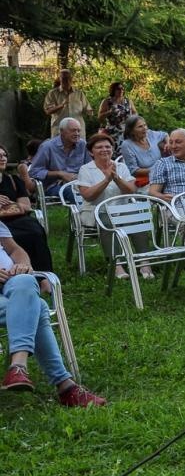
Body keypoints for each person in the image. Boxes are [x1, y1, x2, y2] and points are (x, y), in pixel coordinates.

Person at [0, 223, 104, 406]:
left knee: (26, 280)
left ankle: (19, 366)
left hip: (12, 282)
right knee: (37, 306)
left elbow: (15, 249)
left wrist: (23, 264)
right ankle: (65, 386)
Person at [75, 132, 139, 277]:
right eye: (99, 147)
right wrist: (106, 180)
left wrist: (116, 178)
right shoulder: (85, 169)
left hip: (121, 210)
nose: (104, 149)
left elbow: (131, 191)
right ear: (91, 152)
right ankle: (117, 265)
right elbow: (88, 196)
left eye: (108, 146)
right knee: (107, 220)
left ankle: (144, 262)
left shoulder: (120, 166)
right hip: (95, 211)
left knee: (139, 218)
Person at [0, 145, 51, 273]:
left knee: (35, 231)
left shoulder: (13, 180)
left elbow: (26, 206)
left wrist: (8, 204)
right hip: (1, 225)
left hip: (17, 220)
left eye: (4, 155)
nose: (3, 158)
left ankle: (44, 275)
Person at [28, 117, 88, 199]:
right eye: (73, 130)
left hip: (79, 182)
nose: (77, 134)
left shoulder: (82, 144)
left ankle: (100, 211)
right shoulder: (47, 147)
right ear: (61, 131)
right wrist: (59, 173)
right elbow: (34, 171)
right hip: (53, 185)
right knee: (73, 192)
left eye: (78, 131)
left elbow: (89, 166)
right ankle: (82, 211)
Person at [146, 128, 185, 203]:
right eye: (171, 142)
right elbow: (152, 192)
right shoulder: (163, 164)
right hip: (177, 207)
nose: (173, 146)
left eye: (178, 142)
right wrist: (162, 197)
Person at [117, 116, 164, 186]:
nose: (145, 128)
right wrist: (157, 170)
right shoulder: (127, 145)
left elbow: (165, 135)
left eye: (145, 125)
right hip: (146, 183)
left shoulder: (150, 134)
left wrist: (168, 143)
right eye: (140, 127)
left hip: (162, 176)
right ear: (131, 131)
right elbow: (134, 171)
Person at [96, 81, 136, 155]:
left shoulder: (128, 101)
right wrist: (109, 112)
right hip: (113, 132)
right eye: (118, 89)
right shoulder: (107, 101)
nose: (121, 90)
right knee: (113, 153)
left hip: (127, 132)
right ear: (113, 90)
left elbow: (135, 113)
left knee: (128, 153)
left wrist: (133, 123)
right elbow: (100, 117)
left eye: (122, 89)